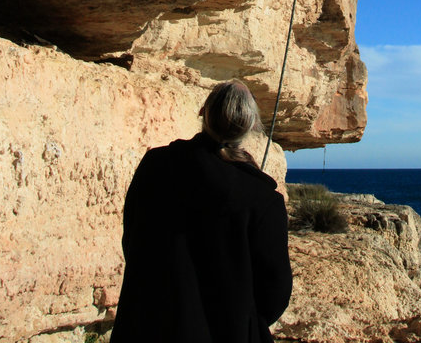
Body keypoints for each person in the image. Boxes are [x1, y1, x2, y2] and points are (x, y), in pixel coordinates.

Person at [111, 80, 292, 343]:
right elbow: (274, 293)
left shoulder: (155, 166)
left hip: (145, 328)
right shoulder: (263, 200)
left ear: (202, 113)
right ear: (252, 125)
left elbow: (133, 241)